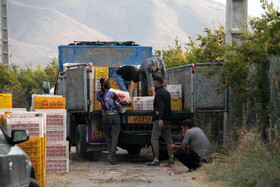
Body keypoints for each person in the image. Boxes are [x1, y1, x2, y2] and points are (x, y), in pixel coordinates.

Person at [96, 78, 129, 165]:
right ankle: (112, 155)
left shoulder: (98, 94)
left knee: (108, 137)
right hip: (114, 116)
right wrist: (128, 103)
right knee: (115, 136)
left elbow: (101, 102)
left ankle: (111, 156)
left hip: (105, 117)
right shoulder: (111, 94)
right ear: (109, 86)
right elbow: (121, 102)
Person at [146, 75, 174, 167]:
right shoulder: (167, 92)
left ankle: (156, 159)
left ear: (158, 83)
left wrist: (159, 118)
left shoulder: (159, 93)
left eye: (154, 83)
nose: (153, 84)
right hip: (168, 119)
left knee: (154, 138)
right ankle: (171, 158)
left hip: (161, 120)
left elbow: (160, 106)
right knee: (168, 139)